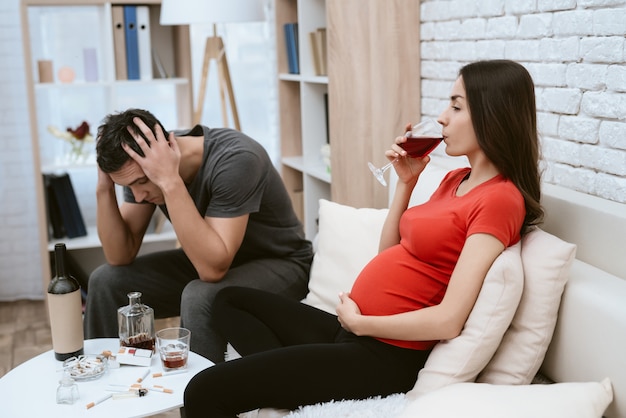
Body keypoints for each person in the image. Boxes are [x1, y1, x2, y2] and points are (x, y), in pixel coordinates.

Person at [182, 59, 544, 417]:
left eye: (456, 106)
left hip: (386, 355)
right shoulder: (456, 179)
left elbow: (449, 320)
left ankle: (287, 384)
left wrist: (362, 323)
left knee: (203, 391)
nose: (442, 117)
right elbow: (390, 252)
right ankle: (289, 387)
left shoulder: (500, 199)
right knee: (228, 301)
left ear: (492, 114)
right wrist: (407, 182)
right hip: (354, 332)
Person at [83, 109, 313, 363]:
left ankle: (200, 399)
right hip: (211, 258)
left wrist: (170, 181)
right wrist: (104, 187)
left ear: (168, 149)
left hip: (284, 263)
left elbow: (212, 270)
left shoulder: (237, 158)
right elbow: (119, 255)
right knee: (105, 280)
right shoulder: (142, 167)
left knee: (200, 294)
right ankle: (107, 382)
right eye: (128, 187)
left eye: (140, 182)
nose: (137, 196)